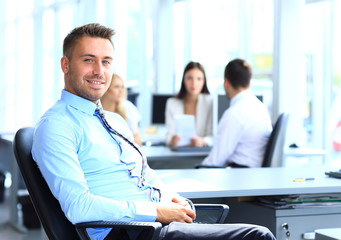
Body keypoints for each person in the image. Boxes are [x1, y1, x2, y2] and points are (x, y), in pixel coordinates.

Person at [32, 23, 276, 240]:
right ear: (65, 65)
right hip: (127, 231)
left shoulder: (115, 121)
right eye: (88, 60)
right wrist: (158, 211)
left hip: (153, 224)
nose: (99, 70)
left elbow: (146, 175)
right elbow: (79, 206)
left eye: (106, 61)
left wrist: (171, 197)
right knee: (257, 236)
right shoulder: (56, 125)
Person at [201, 59, 272, 168]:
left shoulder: (235, 114)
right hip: (253, 174)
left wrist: (197, 169)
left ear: (226, 83)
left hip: (239, 176)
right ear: (248, 82)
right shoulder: (260, 107)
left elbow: (215, 161)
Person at [165, 61, 213, 147]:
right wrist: (172, 140)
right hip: (178, 152)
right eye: (189, 78)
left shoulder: (210, 102)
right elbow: (168, 135)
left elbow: (213, 136)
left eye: (199, 79)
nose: (194, 83)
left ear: (204, 81)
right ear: (184, 79)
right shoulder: (172, 103)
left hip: (201, 152)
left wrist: (202, 141)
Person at [101, 73, 142, 146]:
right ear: (106, 88)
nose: (121, 90)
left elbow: (137, 139)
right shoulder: (96, 109)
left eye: (122, 87)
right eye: (116, 87)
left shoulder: (128, 108)